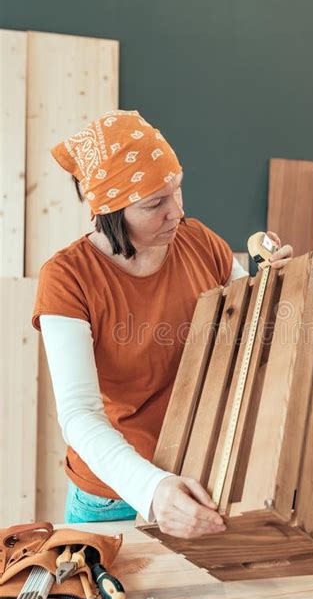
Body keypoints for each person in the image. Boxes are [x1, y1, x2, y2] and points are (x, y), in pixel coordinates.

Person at [32, 110, 293, 537]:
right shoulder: (68, 277)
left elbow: (252, 338)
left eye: (177, 190)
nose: (177, 212)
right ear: (110, 211)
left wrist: (277, 287)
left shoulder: (200, 242)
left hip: (205, 472)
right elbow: (79, 413)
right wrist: (151, 489)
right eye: (154, 203)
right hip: (114, 495)